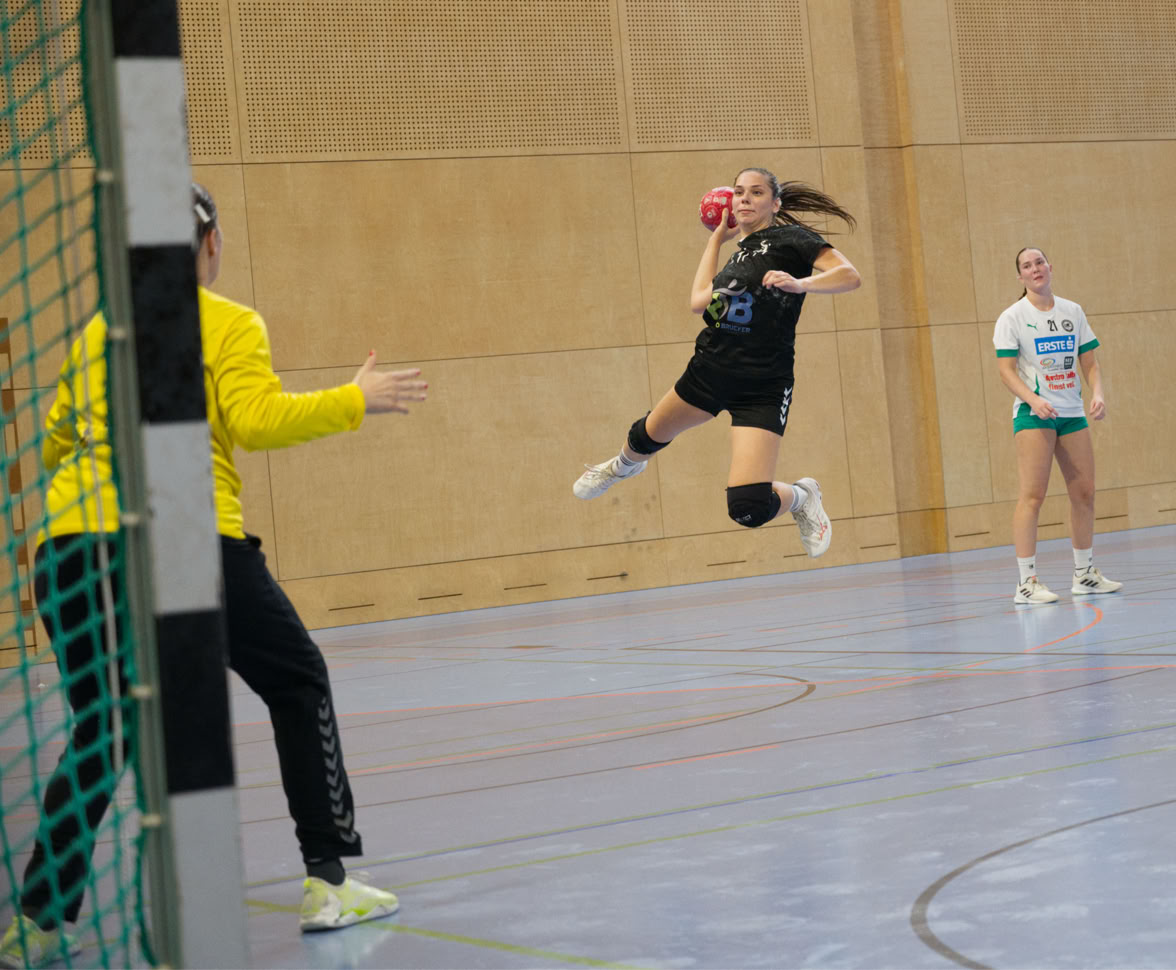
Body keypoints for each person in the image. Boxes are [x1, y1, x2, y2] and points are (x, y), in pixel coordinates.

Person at [1, 183, 426, 968]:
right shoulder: (225, 321)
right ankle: (329, 880)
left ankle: (37, 922)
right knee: (297, 680)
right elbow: (254, 421)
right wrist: (354, 398)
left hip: (69, 550)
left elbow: (58, 440)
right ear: (210, 243)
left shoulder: (98, 331)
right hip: (185, 539)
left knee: (104, 727)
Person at [573, 168, 860, 556]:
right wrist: (715, 241)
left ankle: (802, 496)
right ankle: (621, 467)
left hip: (763, 385)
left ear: (775, 203)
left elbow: (849, 275)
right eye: (739, 192)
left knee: (748, 508)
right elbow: (698, 302)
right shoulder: (738, 256)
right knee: (643, 437)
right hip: (710, 371)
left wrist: (801, 283)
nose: (745, 199)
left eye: (756, 192)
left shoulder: (793, 239)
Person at [993, 246, 1121, 605]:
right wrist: (1034, 400)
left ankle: (1084, 574)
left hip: (1071, 413)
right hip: (1034, 413)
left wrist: (1097, 394)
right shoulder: (1012, 317)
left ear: (1050, 267)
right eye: (1027, 266)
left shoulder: (1072, 311)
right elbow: (1006, 371)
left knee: (1085, 492)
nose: (1035, 269)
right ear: (1020, 276)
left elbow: (1089, 363)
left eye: (1039, 262)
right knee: (1033, 495)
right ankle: (1026, 582)